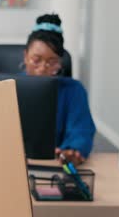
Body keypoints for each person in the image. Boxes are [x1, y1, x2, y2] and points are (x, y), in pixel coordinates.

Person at [23, 13, 96, 166]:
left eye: (52, 62)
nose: (43, 68)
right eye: (36, 60)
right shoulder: (7, 86)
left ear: (60, 63)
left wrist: (72, 151)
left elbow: (81, 133)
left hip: (55, 166)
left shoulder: (73, 90)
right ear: (25, 57)